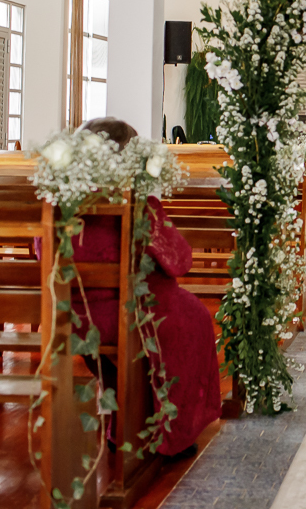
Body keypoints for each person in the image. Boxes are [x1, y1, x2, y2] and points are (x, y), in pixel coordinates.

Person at [42, 118, 221, 457]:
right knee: (193, 319)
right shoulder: (135, 204)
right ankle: (169, 433)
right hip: (127, 311)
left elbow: (45, 255)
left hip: (73, 312)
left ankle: (121, 425)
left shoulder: (59, 203)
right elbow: (179, 260)